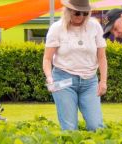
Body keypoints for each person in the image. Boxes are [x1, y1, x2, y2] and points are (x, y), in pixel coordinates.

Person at [42, 0, 107, 131]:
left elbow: (101, 57)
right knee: (69, 128)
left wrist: (103, 81)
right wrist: (50, 78)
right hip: (63, 80)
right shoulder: (57, 28)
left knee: (96, 126)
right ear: (68, 11)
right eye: (77, 13)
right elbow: (47, 59)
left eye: (85, 13)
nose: (81, 17)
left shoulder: (95, 27)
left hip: (89, 82)